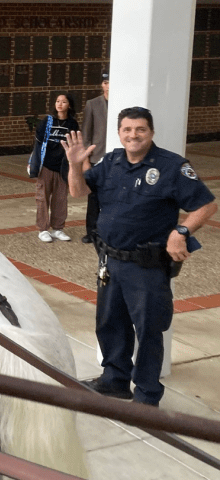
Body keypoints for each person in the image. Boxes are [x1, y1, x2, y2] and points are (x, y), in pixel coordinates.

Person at [63, 107, 217, 406]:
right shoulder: (112, 161)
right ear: (119, 133)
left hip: (147, 266)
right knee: (110, 323)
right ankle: (114, 380)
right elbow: (78, 192)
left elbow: (206, 206)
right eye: (127, 130)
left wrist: (181, 232)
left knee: (148, 330)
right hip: (110, 261)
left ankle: (146, 396)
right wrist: (74, 165)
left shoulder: (172, 166)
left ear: (151, 132)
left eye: (140, 129)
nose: (133, 135)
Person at [35, 93, 79, 242]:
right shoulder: (47, 121)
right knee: (43, 198)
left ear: (69, 105)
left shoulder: (72, 124)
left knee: (60, 199)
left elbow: (75, 145)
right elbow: (38, 142)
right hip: (46, 165)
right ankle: (43, 229)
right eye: (57, 101)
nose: (60, 104)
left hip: (63, 167)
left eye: (64, 101)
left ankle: (58, 229)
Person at [80, 71, 110, 243]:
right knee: (93, 197)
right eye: (106, 82)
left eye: (111, 82)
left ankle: (106, 230)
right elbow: (86, 133)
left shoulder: (123, 101)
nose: (108, 86)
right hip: (96, 157)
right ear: (102, 85)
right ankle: (91, 231)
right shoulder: (92, 104)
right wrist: (85, 160)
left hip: (114, 156)